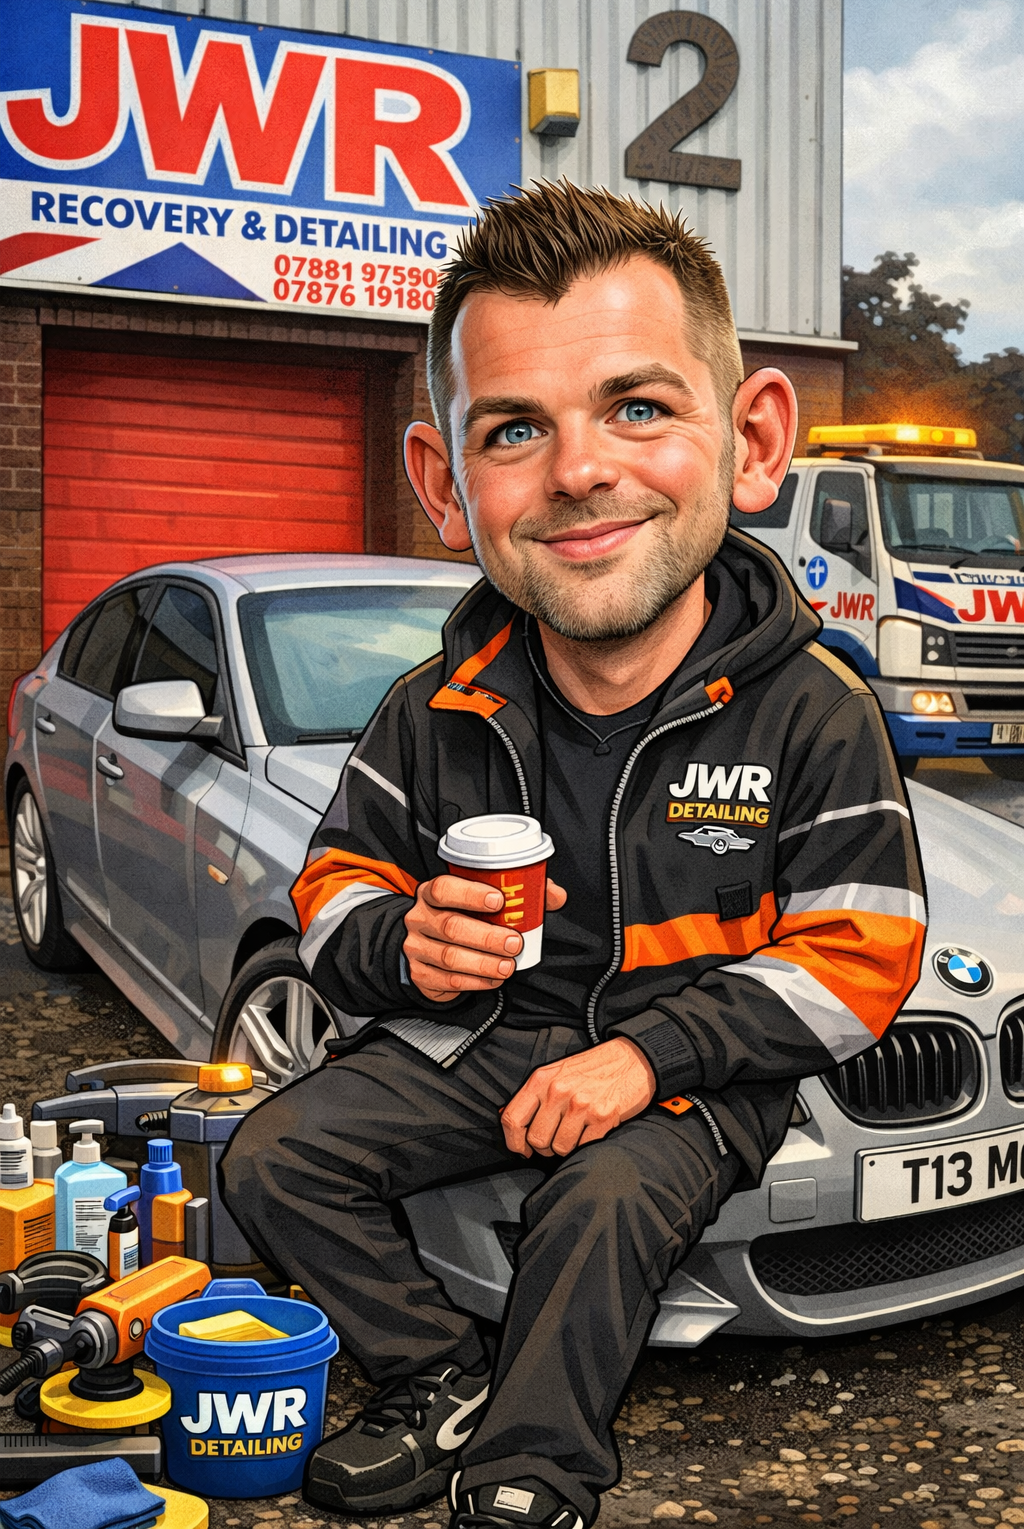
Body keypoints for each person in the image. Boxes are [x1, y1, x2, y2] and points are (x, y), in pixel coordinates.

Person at [221, 181, 925, 1529]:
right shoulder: (432, 705)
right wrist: (402, 942)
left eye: (638, 407)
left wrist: (648, 1057)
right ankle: (438, 1374)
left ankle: (532, 1466)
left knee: (599, 1202)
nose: (580, 471)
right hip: (491, 1041)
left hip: (695, 1075)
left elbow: (862, 957)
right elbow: (331, 888)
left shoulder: (814, 711)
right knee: (271, 1156)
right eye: (515, 428)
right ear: (445, 486)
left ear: (753, 442)